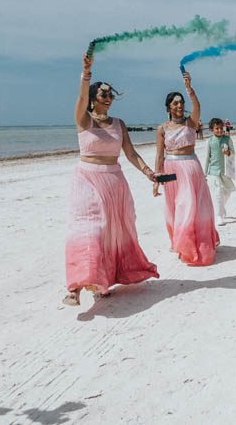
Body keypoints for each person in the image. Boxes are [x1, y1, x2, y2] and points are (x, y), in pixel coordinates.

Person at [63, 53, 158, 306]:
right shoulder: (84, 120)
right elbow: (81, 97)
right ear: (94, 99)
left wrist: (149, 172)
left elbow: (130, 153)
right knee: (88, 229)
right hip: (87, 179)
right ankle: (75, 287)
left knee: (110, 232)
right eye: (103, 94)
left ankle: (101, 282)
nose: (108, 97)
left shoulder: (119, 124)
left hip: (114, 181)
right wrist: (86, 73)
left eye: (110, 94)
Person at [152, 74, 219, 266]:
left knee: (188, 205)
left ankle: (193, 244)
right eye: (175, 103)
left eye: (181, 103)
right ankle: (181, 243)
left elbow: (197, 107)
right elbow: (159, 155)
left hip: (190, 167)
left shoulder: (191, 122)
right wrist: (157, 180)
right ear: (168, 107)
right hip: (170, 168)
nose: (179, 106)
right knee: (174, 206)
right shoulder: (162, 128)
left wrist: (190, 88)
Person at [203, 117, 235, 226]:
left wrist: (228, 152)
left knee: (228, 191)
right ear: (212, 129)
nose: (220, 130)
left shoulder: (228, 139)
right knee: (217, 192)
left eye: (221, 128)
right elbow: (207, 158)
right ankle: (218, 216)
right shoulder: (209, 141)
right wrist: (204, 173)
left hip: (225, 171)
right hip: (213, 171)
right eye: (217, 128)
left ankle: (221, 207)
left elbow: (233, 153)